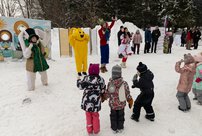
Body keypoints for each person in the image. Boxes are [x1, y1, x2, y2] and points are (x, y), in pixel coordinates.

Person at [77, 63, 106, 136]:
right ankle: (96, 130)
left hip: (86, 102)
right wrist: (102, 94)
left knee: (88, 116)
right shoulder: (101, 79)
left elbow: (80, 86)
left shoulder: (86, 78)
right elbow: (103, 90)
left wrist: (78, 80)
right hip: (96, 103)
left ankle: (89, 130)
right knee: (95, 116)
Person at [104, 65, 133, 133]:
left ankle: (114, 128)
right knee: (121, 116)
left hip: (113, 105)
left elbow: (108, 93)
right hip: (121, 105)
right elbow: (127, 93)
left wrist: (104, 97)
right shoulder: (124, 84)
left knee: (113, 116)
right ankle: (120, 127)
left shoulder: (110, 84)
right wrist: (130, 100)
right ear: (120, 74)